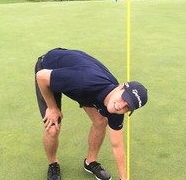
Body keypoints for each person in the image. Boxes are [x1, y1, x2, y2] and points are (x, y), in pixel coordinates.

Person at [35, 48, 148, 180]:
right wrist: (52, 108)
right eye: (124, 98)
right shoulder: (84, 80)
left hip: (83, 89)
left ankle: (90, 162)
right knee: (53, 129)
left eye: (127, 107)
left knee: (101, 120)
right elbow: (41, 76)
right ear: (120, 87)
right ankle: (53, 163)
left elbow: (117, 145)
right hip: (50, 69)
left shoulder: (118, 106)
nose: (121, 106)